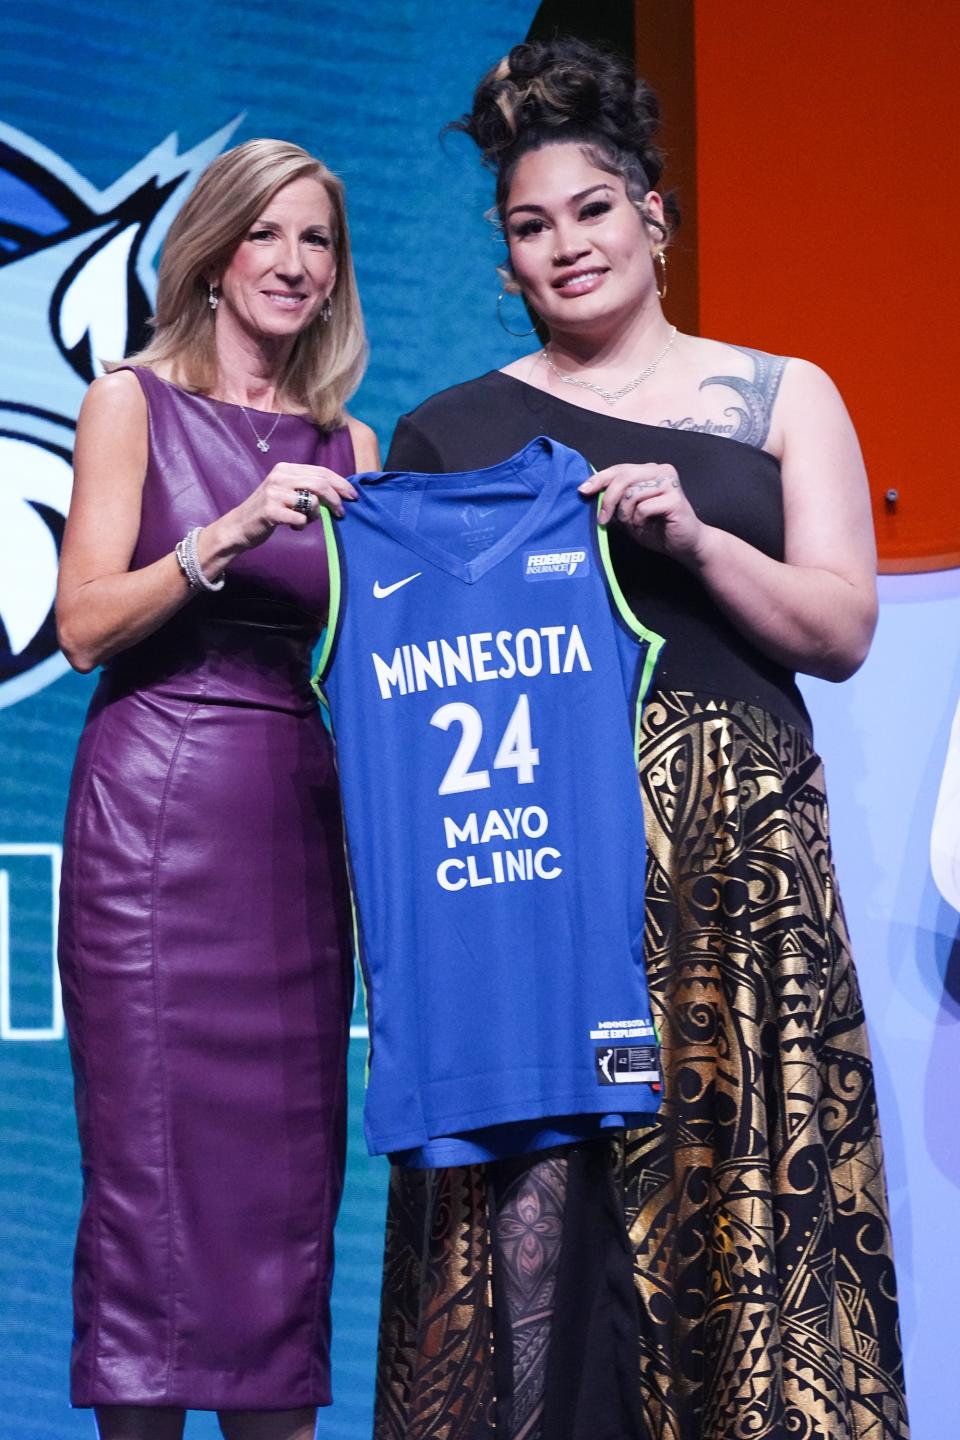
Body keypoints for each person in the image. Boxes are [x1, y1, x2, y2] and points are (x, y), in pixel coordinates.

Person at [373, 39, 909, 1440]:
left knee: (752, 1211)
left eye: (593, 209)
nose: (567, 248)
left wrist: (694, 535)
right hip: (537, 873)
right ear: (505, 257)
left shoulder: (784, 396)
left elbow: (842, 628)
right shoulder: (446, 434)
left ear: (654, 216)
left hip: (742, 865)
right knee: (545, 1231)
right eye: (530, 227)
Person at [55, 138, 378, 1440]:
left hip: (291, 819)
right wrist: (222, 537)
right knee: (150, 1192)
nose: (296, 264)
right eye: (270, 236)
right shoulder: (129, 403)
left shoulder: (349, 441)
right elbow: (82, 624)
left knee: (285, 1198)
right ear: (215, 252)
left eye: (320, 243)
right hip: (154, 815)